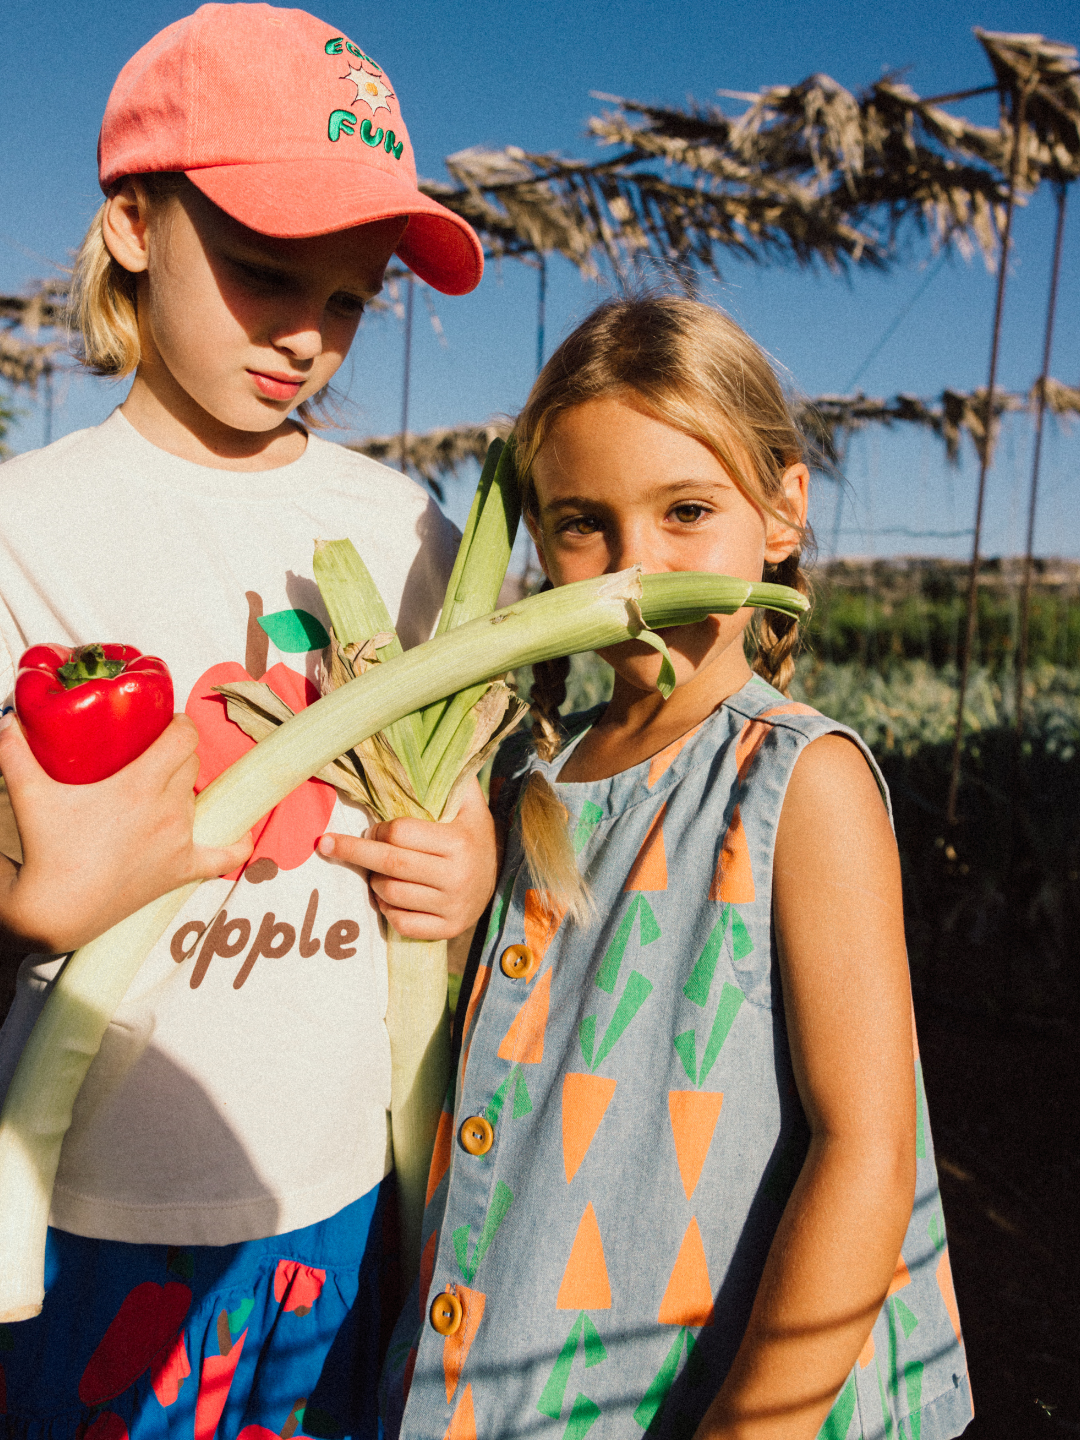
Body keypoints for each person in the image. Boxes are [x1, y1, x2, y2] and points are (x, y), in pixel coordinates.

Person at [0, 5, 496, 1433]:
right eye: (269, 275)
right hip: (78, 1210)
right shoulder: (30, 531)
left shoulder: (409, 530)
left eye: (346, 302)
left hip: (339, 1188)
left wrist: (457, 869)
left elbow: (456, 795)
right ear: (137, 222)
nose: (308, 342)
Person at [382, 297, 973, 1440]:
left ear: (784, 510)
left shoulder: (801, 781)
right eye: (583, 525)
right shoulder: (533, 787)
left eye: (687, 511)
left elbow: (868, 1146)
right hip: (511, 1379)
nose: (636, 569)